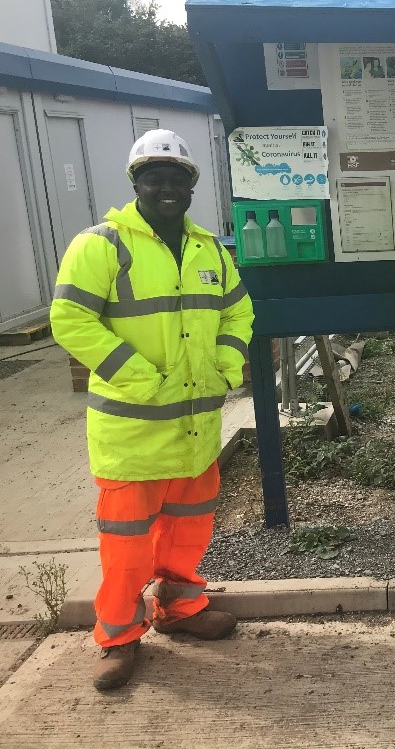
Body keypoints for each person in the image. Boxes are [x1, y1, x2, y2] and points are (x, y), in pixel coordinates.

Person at [50, 129, 254, 689]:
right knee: (126, 549)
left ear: (191, 185)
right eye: (153, 179)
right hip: (133, 434)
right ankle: (117, 637)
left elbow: (239, 314)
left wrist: (225, 367)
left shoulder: (210, 249)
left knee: (187, 534)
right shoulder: (101, 245)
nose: (166, 188)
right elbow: (69, 320)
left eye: (176, 179)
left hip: (195, 428)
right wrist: (139, 377)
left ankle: (181, 606)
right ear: (135, 184)